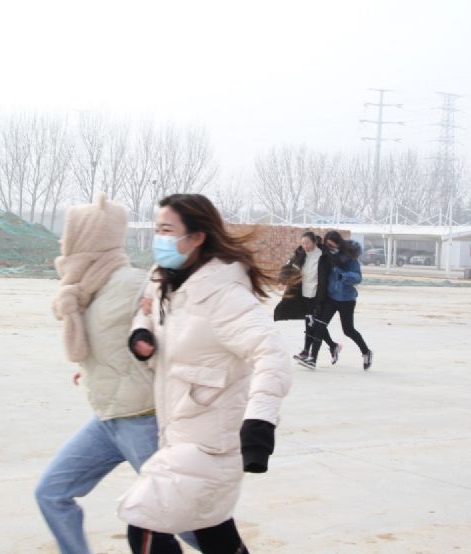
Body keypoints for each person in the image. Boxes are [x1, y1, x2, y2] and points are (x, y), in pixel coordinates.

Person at [120, 193, 292, 554]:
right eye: (157, 230)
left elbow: (272, 354)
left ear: (197, 236)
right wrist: (141, 332)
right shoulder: (164, 280)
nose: (159, 239)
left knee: (146, 525)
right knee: (215, 536)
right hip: (178, 431)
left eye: (167, 230)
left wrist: (260, 421)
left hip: (210, 444)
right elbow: (146, 310)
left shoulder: (224, 296)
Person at [36, 194, 193, 554]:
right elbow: (106, 339)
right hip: (106, 419)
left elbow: (170, 339)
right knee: (51, 492)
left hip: (143, 421)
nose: (63, 243)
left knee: (185, 521)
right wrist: (92, 367)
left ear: (87, 240)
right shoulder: (84, 288)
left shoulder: (135, 284)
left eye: (69, 236)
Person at [302, 231, 373, 371]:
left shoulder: (350, 257)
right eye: (327, 245)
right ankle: (312, 359)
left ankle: (366, 352)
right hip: (331, 297)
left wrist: (343, 276)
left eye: (331, 244)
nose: (329, 247)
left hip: (347, 299)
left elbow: (358, 278)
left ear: (338, 242)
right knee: (320, 326)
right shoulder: (328, 255)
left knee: (348, 330)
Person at [273, 231, 342, 365]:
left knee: (313, 323)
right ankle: (332, 346)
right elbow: (288, 267)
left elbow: (334, 271)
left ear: (314, 242)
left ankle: (308, 351)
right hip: (303, 294)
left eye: (307, 243)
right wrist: (282, 280)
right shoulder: (300, 255)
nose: (305, 246)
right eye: (303, 243)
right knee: (311, 322)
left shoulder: (323, 255)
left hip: (318, 295)